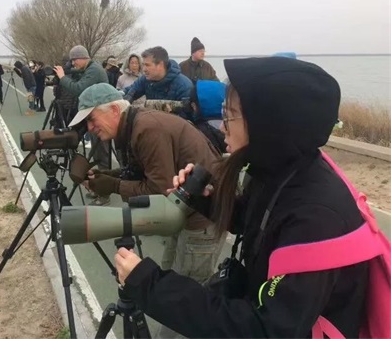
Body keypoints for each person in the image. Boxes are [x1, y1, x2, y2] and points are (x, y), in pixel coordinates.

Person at [114, 57, 369, 338]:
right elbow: (259, 226)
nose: (223, 127)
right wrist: (204, 200)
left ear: (269, 122)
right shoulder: (278, 169)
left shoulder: (317, 216)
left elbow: (266, 329)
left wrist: (150, 285)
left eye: (229, 114)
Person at [68, 83, 227, 335]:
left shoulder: (146, 129)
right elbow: (147, 171)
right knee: (169, 280)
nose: (89, 128)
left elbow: (159, 191)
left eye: (91, 119)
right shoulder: (134, 125)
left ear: (112, 110)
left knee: (186, 298)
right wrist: (110, 175)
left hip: (202, 218)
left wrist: (115, 185)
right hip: (185, 213)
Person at [54, 45, 110, 205]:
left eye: (74, 61)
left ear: (80, 58)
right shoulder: (91, 68)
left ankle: (105, 194)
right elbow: (77, 73)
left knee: (102, 157)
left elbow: (78, 89)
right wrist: (66, 72)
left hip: (102, 119)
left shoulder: (94, 70)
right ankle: (99, 189)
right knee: (98, 155)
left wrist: (63, 77)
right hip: (95, 117)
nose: (73, 65)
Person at [123, 46, 193, 118]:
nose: (144, 69)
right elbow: (131, 91)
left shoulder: (184, 86)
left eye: (147, 65)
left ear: (160, 65)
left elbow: (188, 118)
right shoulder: (145, 79)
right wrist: (118, 96)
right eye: (143, 65)